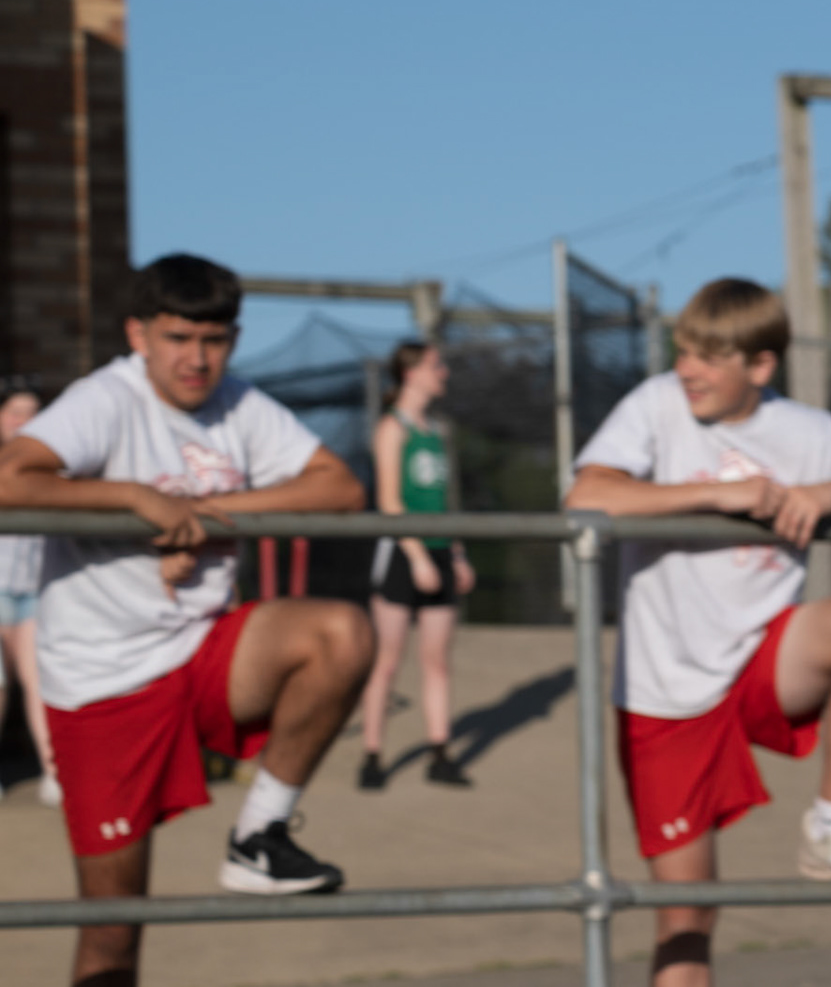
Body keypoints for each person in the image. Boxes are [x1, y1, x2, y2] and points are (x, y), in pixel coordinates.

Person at [0, 254, 372, 987]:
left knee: (339, 633)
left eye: (215, 340)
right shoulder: (105, 398)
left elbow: (339, 487)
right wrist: (135, 497)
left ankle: (259, 837)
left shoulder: (238, 401)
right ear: (138, 335)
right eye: (178, 338)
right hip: (104, 687)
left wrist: (195, 514)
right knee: (113, 934)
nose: (197, 359)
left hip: (201, 654)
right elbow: (10, 478)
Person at [566, 277, 831, 987]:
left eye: (709, 357)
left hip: (765, 661)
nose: (688, 371)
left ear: (761, 365)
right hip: (666, 692)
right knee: (688, 917)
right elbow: (585, 495)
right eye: (683, 353)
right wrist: (716, 493)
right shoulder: (657, 404)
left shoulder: (807, 430)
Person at [357, 341, 475, 791]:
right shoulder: (392, 428)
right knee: (387, 661)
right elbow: (389, 501)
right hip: (403, 554)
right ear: (410, 373)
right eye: (434, 365)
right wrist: (418, 556)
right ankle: (372, 755)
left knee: (437, 661)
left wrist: (457, 555)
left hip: (440, 552)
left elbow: (444, 501)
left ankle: (439, 753)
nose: (442, 372)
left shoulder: (437, 430)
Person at [0, 386, 62, 807]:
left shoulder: (53, 468)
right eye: (15, 411)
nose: (24, 420)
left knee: (40, 681)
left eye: (33, 411)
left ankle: (55, 770)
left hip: (37, 587)